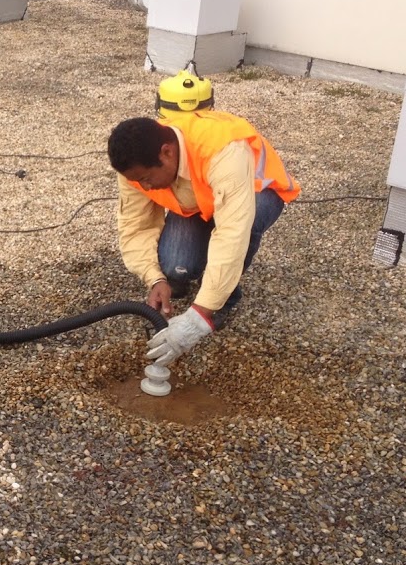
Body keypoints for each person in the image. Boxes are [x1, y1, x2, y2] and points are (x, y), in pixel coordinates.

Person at [107, 110, 300, 370]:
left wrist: (199, 315)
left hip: (255, 192)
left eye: (146, 179)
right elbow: (135, 226)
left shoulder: (223, 150)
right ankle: (185, 279)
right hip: (200, 199)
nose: (146, 187)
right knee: (177, 263)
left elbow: (232, 232)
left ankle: (225, 296)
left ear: (167, 153)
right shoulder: (135, 165)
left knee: (245, 225)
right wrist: (155, 278)